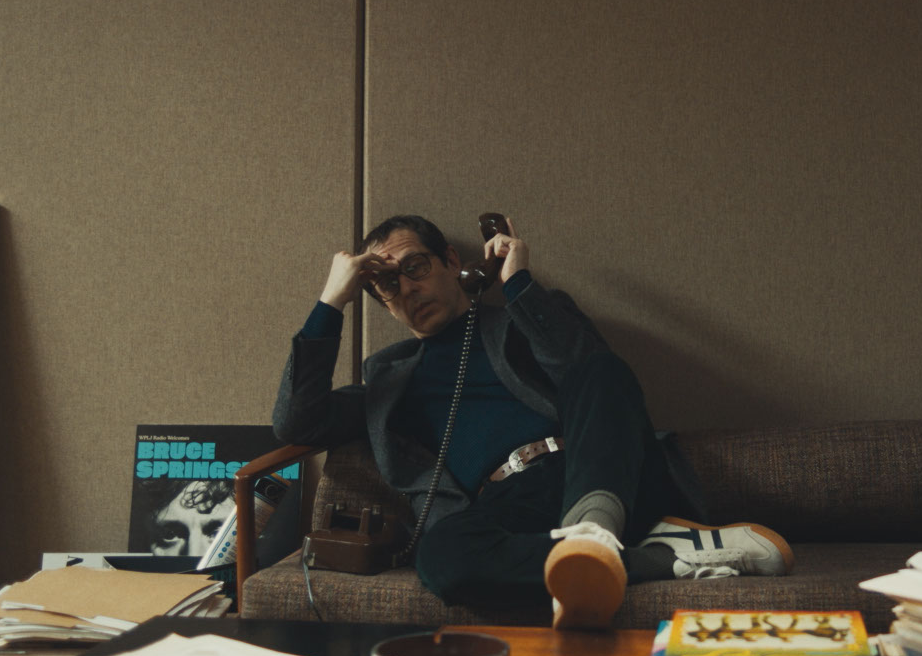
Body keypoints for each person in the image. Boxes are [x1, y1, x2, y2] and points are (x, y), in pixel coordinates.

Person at [272, 214, 792, 628]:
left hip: (598, 470)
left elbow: (590, 368)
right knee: (442, 558)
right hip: (510, 505)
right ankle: (652, 556)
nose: (407, 289)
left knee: (600, 368)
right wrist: (331, 300)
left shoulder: (524, 316)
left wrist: (517, 280)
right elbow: (297, 424)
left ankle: (594, 534)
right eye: (387, 283)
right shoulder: (388, 378)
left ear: (452, 261)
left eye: (416, 267)